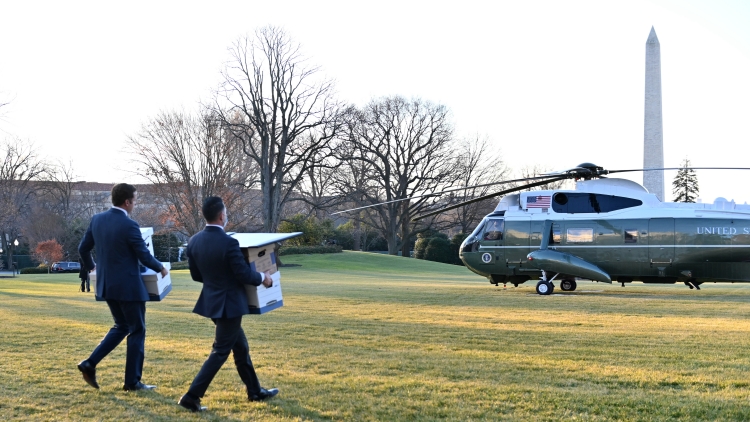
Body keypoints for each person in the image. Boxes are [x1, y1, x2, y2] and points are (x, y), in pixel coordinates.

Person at [177, 196, 277, 412]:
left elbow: (196, 276)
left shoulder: (194, 240)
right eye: (227, 213)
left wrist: (217, 280)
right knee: (221, 350)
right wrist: (263, 278)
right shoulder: (229, 242)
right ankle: (191, 396)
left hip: (212, 302)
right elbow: (242, 274)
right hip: (229, 305)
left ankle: (255, 391)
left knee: (240, 347)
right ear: (222, 216)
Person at [76, 183, 169, 391]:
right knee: (137, 330)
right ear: (127, 202)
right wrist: (160, 267)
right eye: (135, 200)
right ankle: (132, 382)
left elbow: (82, 248)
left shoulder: (97, 220)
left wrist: (92, 267)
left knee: (121, 326)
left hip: (107, 285)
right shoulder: (130, 225)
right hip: (129, 287)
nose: (135, 204)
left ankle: (89, 363)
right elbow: (143, 255)